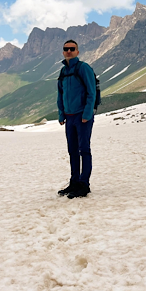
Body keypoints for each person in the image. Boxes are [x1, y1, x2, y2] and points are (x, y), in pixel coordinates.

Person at [57, 39, 96, 199]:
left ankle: (83, 184)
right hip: (69, 117)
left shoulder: (83, 68)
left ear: (77, 52)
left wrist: (87, 115)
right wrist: (61, 114)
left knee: (84, 150)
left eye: (72, 49)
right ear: (63, 51)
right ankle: (74, 182)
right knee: (72, 151)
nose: (69, 51)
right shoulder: (63, 71)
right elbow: (60, 94)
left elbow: (91, 92)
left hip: (82, 117)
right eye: (66, 49)